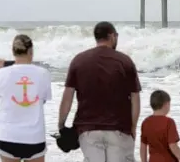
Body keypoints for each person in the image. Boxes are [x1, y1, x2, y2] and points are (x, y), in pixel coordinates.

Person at [58, 21, 142, 162]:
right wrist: (133, 127)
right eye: (116, 35)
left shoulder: (79, 61)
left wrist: (61, 125)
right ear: (111, 36)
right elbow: (135, 98)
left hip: (88, 130)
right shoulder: (124, 61)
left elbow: (67, 97)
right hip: (119, 129)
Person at [0, 34, 52, 162]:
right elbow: (41, 101)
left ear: (13, 52)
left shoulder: (1, 74)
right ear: (31, 51)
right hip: (34, 138)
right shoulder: (43, 73)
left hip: (7, 137)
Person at [140, 90, 180, 162]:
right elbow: (173, 146)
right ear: (166, 104)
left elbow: (143, 147)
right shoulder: (169, 122)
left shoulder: (146, 122)